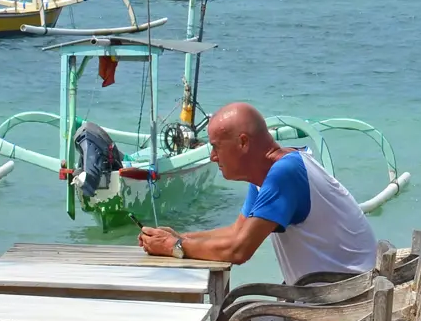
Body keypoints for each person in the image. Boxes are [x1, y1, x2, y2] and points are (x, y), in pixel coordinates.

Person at [137, 101, 376, 281]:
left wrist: (173, 247)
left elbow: (239, 250)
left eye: (216, 147)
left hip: (348, 296)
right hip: (333, 290)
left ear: (243, 142)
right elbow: (237, 232)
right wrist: (181, 237)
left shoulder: (285, 172)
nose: (212, 157)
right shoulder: (266, 174)